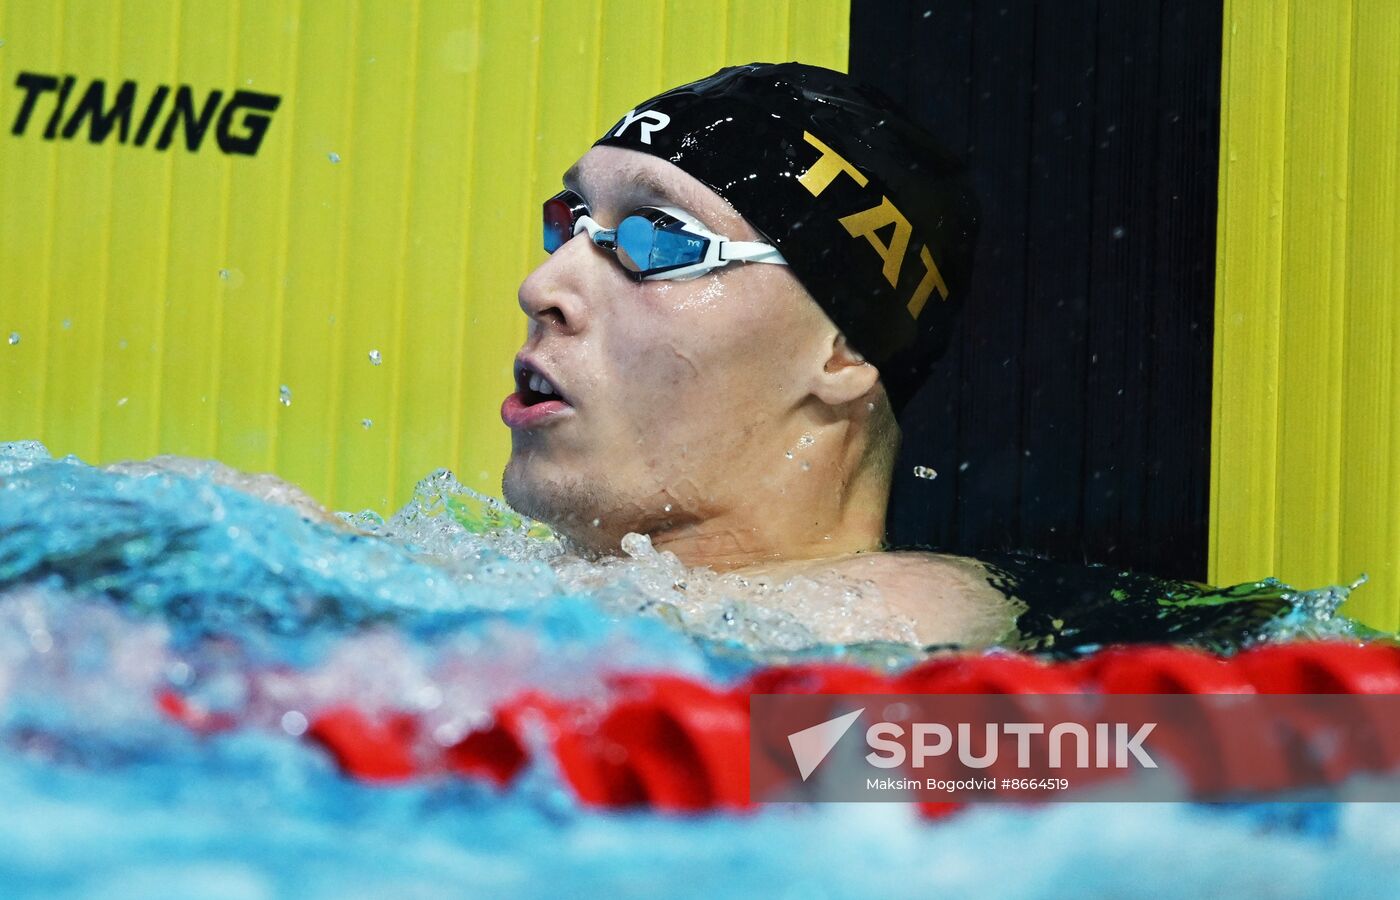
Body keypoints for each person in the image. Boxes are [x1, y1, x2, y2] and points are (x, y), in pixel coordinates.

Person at [499, 62, 1021, 646]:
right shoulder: (506, 582)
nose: (539, 289)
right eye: (569, 222)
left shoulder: (883, 624)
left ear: (844, 353)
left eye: (660, 240)